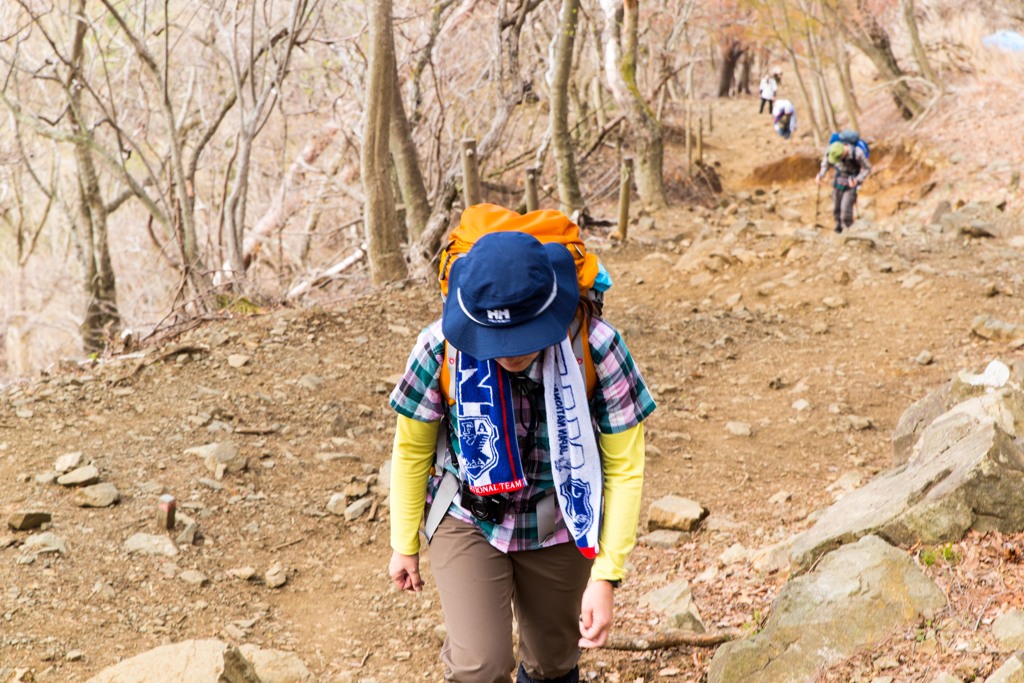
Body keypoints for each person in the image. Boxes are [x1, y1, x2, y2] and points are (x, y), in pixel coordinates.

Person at [388, 230, 655, 683]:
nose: (509, 351)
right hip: (466, 514)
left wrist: (606, 577)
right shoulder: (441, 347)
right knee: (479, 667)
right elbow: (411, 449)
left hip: (563, 517)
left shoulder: (597, 346)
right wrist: (403, 544)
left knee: (552, 664)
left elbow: (624, 467)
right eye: (496, 338)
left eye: (523, 335)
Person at [816, 139, 872, 234]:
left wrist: (857, 179)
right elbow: (826, 162)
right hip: (838, 179)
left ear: (843, 154)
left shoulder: (857, 153)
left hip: (852, 182)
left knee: (846, 210)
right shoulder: (832, 149)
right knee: (836, 208)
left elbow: (868, 168)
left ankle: (848, 232)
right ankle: (838, 231)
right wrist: (821, 174)